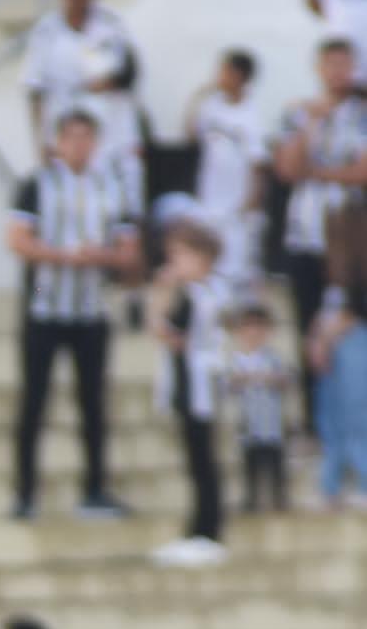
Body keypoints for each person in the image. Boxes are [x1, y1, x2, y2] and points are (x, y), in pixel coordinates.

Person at [8, 104, 143, 531]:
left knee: (93, 405)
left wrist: (98, 257)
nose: (79, 145)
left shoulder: (111, 186)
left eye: (87, 137)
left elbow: (129, 252)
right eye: (72, 137)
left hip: (90, 311)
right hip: (44, 310)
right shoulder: (37, 184)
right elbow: (19, 240)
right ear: (59, 142)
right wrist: (65, 256)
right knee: (33, 402)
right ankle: (25, 491)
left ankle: (94, 489)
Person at [271, 34, 367, 381]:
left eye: (345, 64)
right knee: (307, 324)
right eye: (331, 64)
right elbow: (286, 169)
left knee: (351, 318)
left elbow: (362, 172)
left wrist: (316, 172)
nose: (338, 72)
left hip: (351, 233)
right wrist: (311, 125)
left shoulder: (361, 114)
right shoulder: (298, 113)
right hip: (306, 232)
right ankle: (314, 418)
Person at [147, 212, 230, 565]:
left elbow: (168, 333)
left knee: (202, 460)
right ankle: (198, 529)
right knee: (198, 459)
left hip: (197, 383)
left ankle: (206, 532)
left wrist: (161, 293)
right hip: (191, 382)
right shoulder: (207, 292)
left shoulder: (199, 295)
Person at [19, 0, 140, 159]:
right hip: (67, 138)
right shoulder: (46, 32)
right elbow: (35, 88)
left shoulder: (112, 25)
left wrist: (108, 83)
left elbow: (130, 74)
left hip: (112, 135)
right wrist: (41, 141)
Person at [185, 46, 269, 289]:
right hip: (209, 200)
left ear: (239, 75)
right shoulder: (211, 106)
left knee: (235, 270)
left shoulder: (252, 117)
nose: (219, 75)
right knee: (204, 268)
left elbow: (259, 165)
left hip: (236, 208)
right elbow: (191, 135)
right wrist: (197, 97)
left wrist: (250, 205)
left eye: (224, 70)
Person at [304, 211, 367, 499]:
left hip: (356, 351)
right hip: (336, 358)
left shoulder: (357, 279)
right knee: (333, 420)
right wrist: (319, 339)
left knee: (357, 420)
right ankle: (334, 483)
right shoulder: (333, 282)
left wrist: (332, 333)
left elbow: (353, 315)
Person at [228, 286, 295, 512]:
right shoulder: (237, 360)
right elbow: (229, 385)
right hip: (249, 422)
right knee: (251, 464)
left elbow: (286, 379)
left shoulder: (273, 358)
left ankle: (279, 498)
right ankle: (251, 500)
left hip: (271, 422)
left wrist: (268, 379)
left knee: (275, 462)